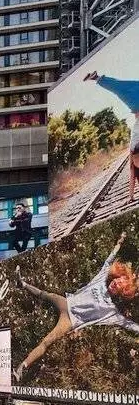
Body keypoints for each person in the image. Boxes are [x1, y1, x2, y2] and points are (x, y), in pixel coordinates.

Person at [13, 231, 139, 381]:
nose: (114, 283)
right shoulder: (100, 280)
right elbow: (108, 261)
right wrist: (119, 243)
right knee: (46, 294)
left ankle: (22, 367)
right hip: (67, 302)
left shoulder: (111, 311)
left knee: (46, 342)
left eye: (118, 286)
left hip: (70, 320)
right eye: (116, 280)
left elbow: (128, 324)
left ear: (120, 293)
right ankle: (23, 284)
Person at [84, 71, 139, 201]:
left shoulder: (134, 163)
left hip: (136, 109)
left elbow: (132, 175)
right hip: (136, 109)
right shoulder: (134, 162)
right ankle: (97, 78)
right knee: (122, 89)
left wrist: (130, 196)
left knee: (121, 89)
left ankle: (97, 78)